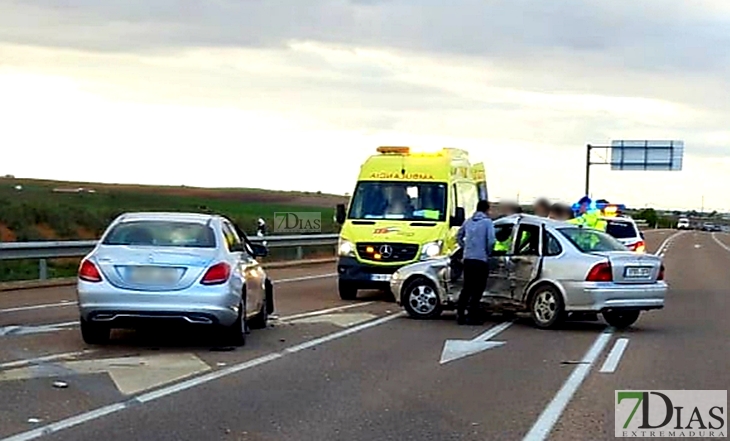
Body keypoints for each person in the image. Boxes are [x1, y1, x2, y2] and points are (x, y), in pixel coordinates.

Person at [456, 199, 496, 325]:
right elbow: (491, 241)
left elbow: (458, 236)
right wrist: (488, 252)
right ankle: (472, 316)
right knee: (478, 289)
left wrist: (465, 247)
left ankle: (460, 314)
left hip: (468, 259)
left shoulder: (468, 221)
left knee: (467, 288)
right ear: (487, 209)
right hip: (480, 259)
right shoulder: (487, 223)